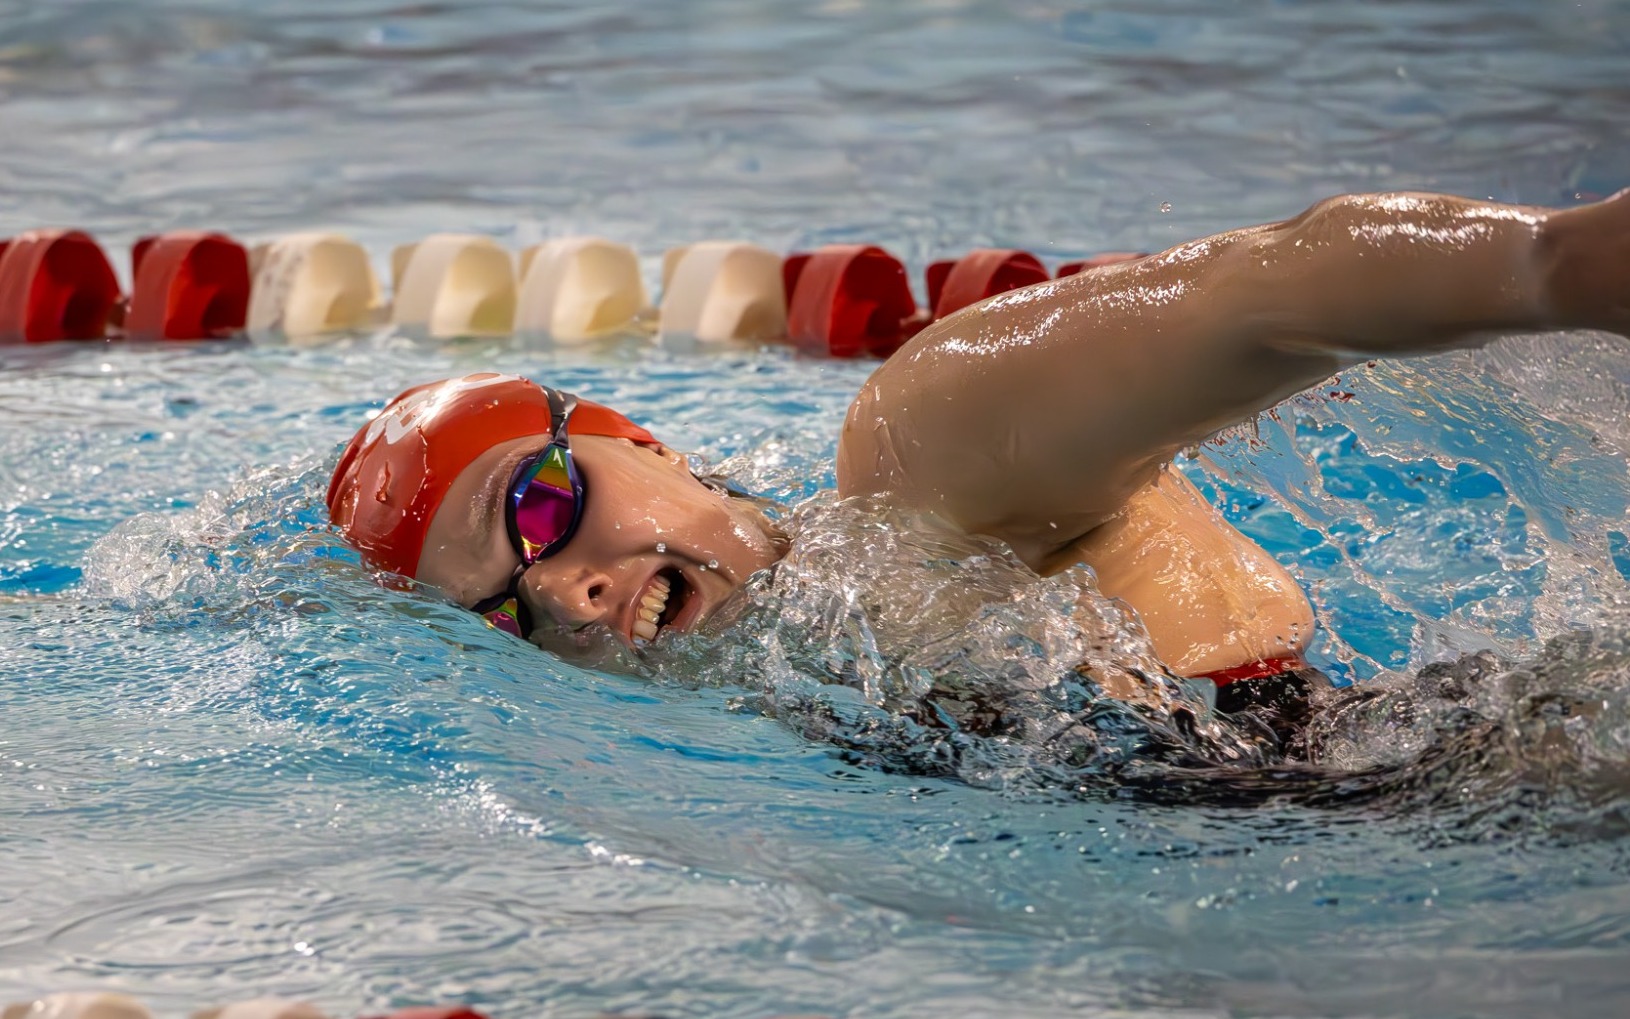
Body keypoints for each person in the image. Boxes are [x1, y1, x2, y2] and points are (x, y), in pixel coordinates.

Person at [326, 189, 1630, 754]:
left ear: (638, 442)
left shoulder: (917, 467)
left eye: (540, 508)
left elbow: (1260, 291)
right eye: (509, 605)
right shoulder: (779, 668)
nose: (564, 596)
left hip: (1493, 759)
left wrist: (1560, 267)